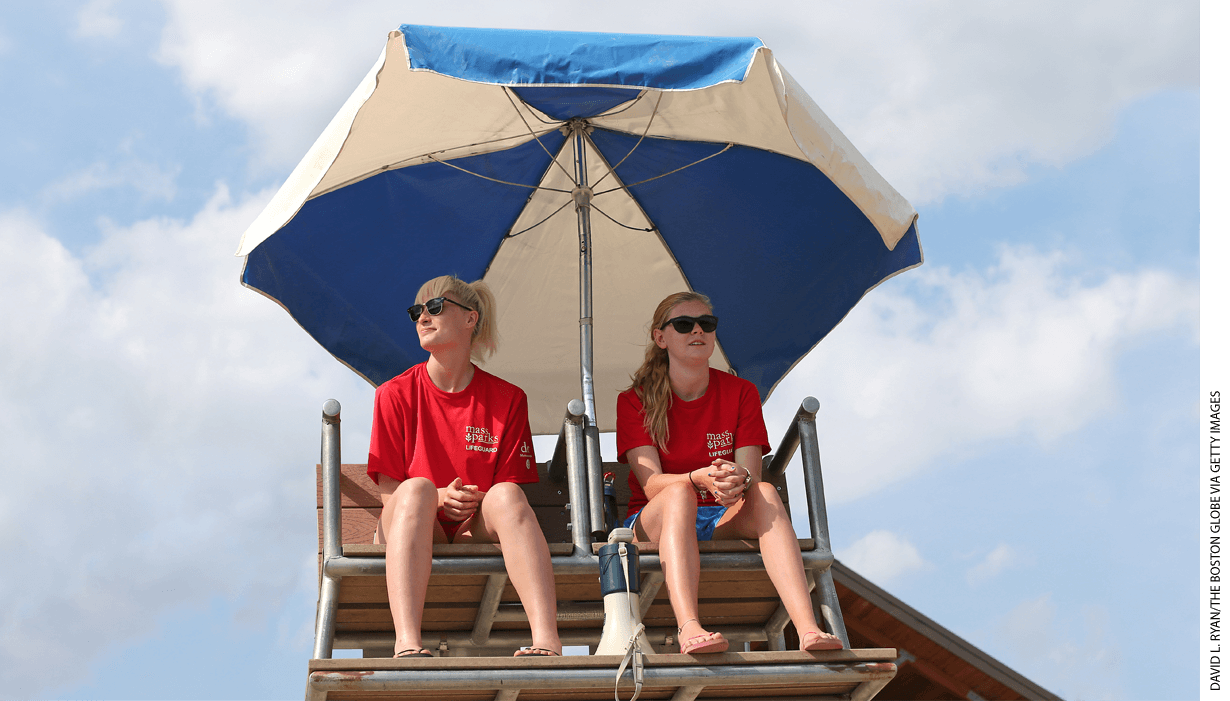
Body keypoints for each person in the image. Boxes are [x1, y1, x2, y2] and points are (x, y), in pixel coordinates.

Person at [616, 291, 844, 655]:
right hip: (656, 517)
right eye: (683, 324)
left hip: (722, 514)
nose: (697, 331)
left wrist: (735, 480)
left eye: (706, 324)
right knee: (678, 495)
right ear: (661, 338)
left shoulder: (741, 392)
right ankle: (689, 628)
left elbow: (751, 474)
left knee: (766, 492)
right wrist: (698, 478)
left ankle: (807, 629)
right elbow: (652, 483)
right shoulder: (634, 400)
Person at [367, 275, 562, 659]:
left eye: (435, 307)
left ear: (470, 319)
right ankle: (406, 643)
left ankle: (548, 641)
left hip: (475, 528)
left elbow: (509, 492)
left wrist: (468, 500)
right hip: (411, 522)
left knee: (506, 495)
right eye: (416, 311)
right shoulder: (393, 394)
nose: (423, 316)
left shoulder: (508, 398)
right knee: (418, 490)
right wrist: (440, 498)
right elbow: (392, 495)